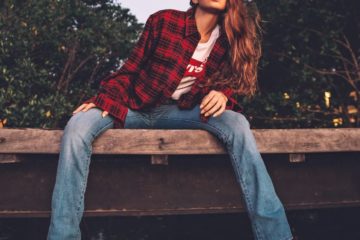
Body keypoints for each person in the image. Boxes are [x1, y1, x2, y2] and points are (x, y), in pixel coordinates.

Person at [47, 0, 294, 239]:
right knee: (78, 125)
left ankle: (277, 234)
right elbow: (130, 70)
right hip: (135, 107)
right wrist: (106, 99)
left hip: (181, 112)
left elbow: (233, 80)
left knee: (237, 123)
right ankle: (63, 235)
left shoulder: (227, 40)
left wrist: (222, 93)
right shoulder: (164, 21)